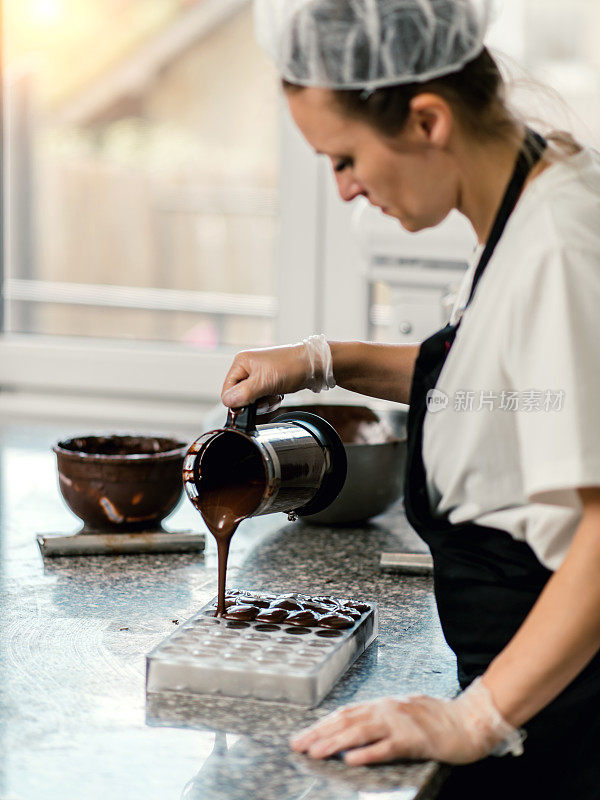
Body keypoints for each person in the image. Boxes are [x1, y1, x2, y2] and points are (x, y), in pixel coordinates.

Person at [221, 1, 600, 796]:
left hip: (566, 728)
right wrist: (319, 361)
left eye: (345, 158)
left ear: (427, 119)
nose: (347, 190)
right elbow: (493, 376)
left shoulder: (559, 247)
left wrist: (476, 719)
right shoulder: (530, 198)